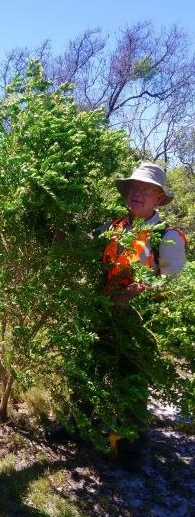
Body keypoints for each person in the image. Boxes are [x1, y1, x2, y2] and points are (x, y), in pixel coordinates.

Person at [48, 163, 186, 469]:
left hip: (139, 324)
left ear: (159, 199)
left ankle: (132, 449)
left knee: (130, 382)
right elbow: (85, 243)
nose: (136, 193)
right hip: (103, 312)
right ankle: (79, 428)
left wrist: (138, 289)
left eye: (145, 189)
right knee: (86, 369)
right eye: (133, 188)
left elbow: (172, 280)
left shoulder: (168, 235)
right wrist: (64, 236)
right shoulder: (113, 226)